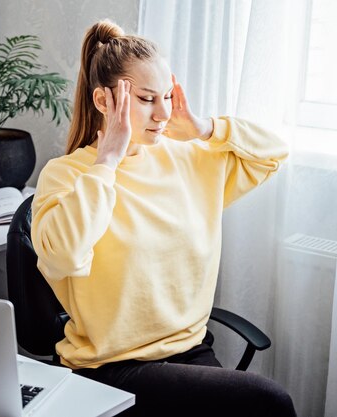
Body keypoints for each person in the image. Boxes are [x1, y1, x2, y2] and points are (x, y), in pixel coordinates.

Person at [30, 19, 296, 416]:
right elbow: (64, 256)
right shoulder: (67, 175)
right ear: (104, 102)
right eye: (146, 99)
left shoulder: (189, 157)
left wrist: (203, 128)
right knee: (269, 402)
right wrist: (107, 161)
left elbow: (274, 152)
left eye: (167, 97)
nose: (162, 113)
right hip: (112, 367)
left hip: (190, 352)